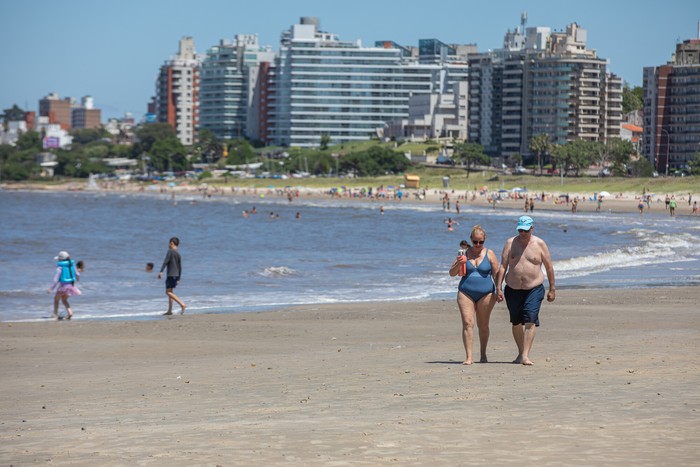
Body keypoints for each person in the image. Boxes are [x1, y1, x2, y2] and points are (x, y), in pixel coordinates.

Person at [495, 216, 555, 366]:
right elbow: (503, 266)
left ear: (532, 229)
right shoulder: (510, 243)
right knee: (516, 322)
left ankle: (525, 356)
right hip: (512, 289)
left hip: (533, 288)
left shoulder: (540, 244)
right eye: (520, 230)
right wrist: (498, 287)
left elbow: (549, 267)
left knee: (530, 320)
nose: (522, 233)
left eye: (525, 230)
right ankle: (521, 352)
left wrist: (552, 289)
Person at [449, 225, 499, 365]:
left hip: (486, 293)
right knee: (467, 323)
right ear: (471, 239)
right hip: (465, 292)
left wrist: (499, 290)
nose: (478, 245)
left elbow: (496, 274)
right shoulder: (463, 254)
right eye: (475, 241)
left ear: (484, 241)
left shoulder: (490, 254)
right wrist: (458, 264)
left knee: (483, 325)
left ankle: (483, 354)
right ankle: (469, 357)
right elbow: (452, 273)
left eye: (481, 242)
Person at [47, 251, 81, 320]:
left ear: (61, 259)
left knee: (56, 299)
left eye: (59, 258)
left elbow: (56, 279)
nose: (58, 260)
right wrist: (77, 279)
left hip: (63, 287)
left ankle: (55, 315)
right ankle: (70, 313)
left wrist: (51, 288)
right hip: (71, 287)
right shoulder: (72, 265)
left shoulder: (60, 267)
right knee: (64, 300)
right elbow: (77, 274)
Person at [158, 237, 187, 315]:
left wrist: (161, 271)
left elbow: (165, 262)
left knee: (167, 292)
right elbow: (180, 267)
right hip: (176, 275)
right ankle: (170, 311)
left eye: (170, 243)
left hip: (171, 275)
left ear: (172, 243)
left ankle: (182, 304)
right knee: (170, 292)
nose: (168, 245)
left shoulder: (170, 251)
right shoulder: (178, 254)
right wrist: (179, 278)